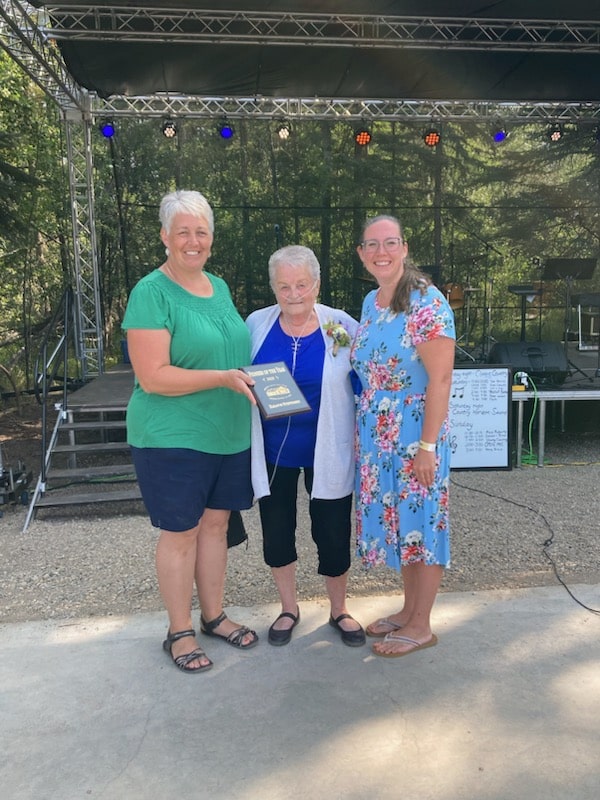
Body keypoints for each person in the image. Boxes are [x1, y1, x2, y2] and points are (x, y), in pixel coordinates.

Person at [122, 189, 259, 673]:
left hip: (227, 432)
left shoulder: (218, 287)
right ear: (165, 236)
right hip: (171, 438)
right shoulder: (150, 292)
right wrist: (221, 378)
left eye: (201, 231)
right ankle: (179, 631)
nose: (193, 241)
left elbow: (231, 353)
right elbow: (152, 376)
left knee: (216, 527)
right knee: (181, 532)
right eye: (183, 232)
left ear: (211, 238)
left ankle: (213, 616)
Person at [246, 245, 366, 647]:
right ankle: (288, 607)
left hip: (327, 447)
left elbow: (363, 377)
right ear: (273, 288)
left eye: (301, 284)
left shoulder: (340, 325)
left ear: (317, 283)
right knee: (277, 530)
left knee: (332, 529)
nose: (293, 294)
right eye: (284, 286)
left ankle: (339, 609)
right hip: (274, 450)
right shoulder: (257, 324)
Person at [351, 215, 456, 658]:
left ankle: (421, 625)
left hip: (415, 433)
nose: (381, 252)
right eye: (372, 244)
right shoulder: (371, 302)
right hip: (379, 437)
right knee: (401, 525)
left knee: (423, 523)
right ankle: (409, 611)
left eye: (390, 242)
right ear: (361, 253)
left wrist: (427, 446)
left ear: (405, 247)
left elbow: (441, 379)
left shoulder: (426, 301)